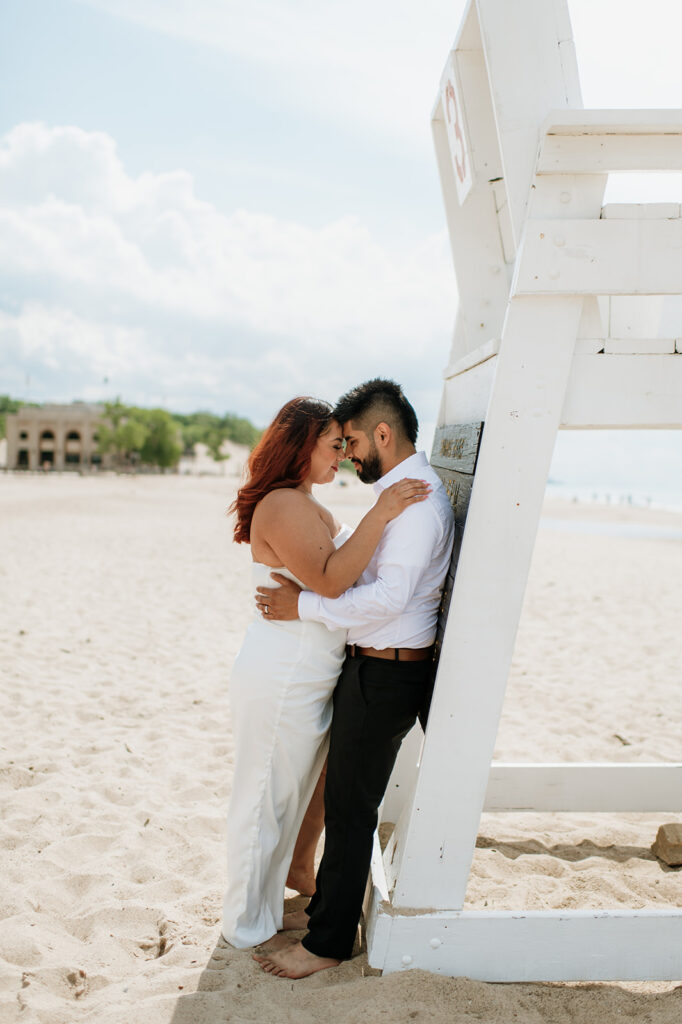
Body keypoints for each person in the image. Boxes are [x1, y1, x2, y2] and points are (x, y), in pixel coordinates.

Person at [253, 379, 455, 979]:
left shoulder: (415, 504)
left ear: (383, 435)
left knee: (349, 810)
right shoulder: (399, 494)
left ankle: (327, 944)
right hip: (373, 667)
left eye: (354, 442)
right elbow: (370, 581)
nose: (349, 456)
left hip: (387, 675)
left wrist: (306, 608)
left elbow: (389, 598)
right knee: (342, 800)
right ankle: (325, 911)